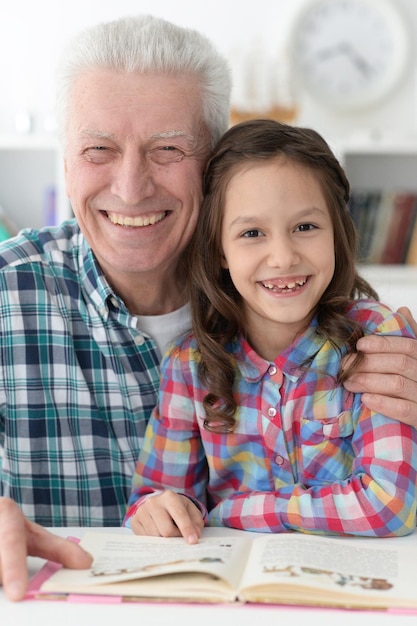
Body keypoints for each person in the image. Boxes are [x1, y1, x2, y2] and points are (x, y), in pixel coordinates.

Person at [0, 15, 417, 602]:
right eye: (98, 149)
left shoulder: (348, 327)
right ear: (65, 158)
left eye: (167, 148)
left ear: (215, 163)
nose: (130, 185)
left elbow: (392, 495)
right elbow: (158, 495)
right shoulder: (8, 295)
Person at [124, 119, 417, 543]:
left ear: (337, 233)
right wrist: (156, 511)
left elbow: (389, 507)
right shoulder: (190, 365)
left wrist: (234, 511)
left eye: (305, 227)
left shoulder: (376, 338)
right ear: (219, 251)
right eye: (252, 233)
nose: (282, 257)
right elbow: (155, 500)